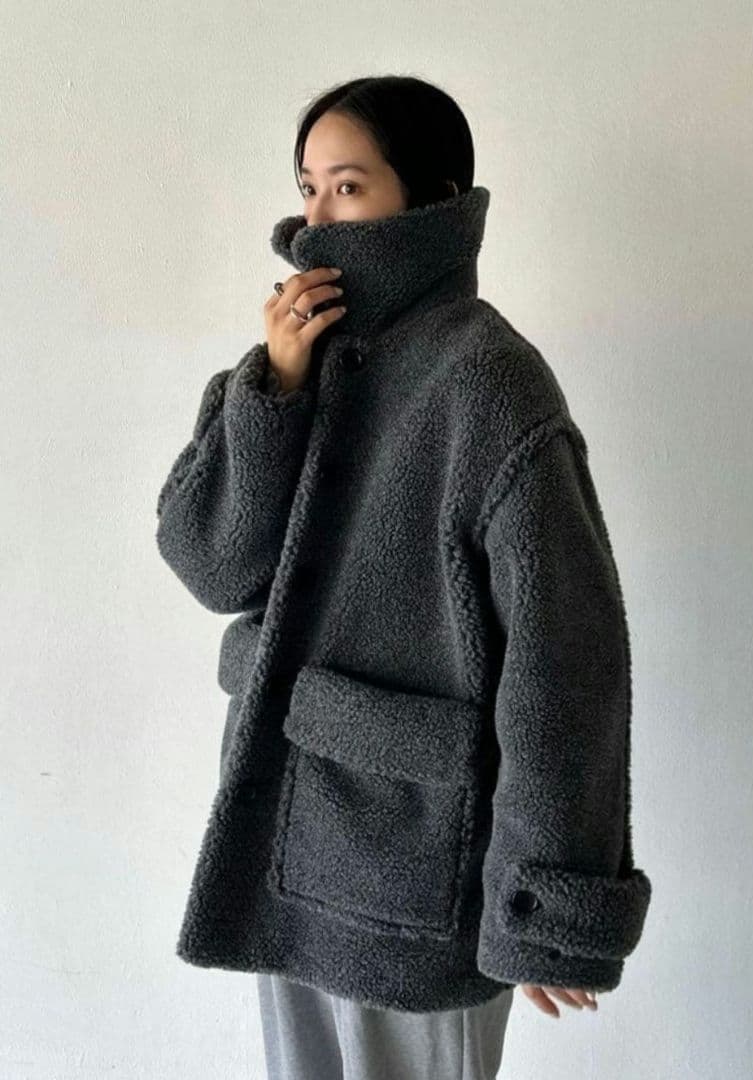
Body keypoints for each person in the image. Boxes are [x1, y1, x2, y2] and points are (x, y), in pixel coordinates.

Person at [155, 74, 651, 1080]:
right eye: (308, 188)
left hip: (422, 869)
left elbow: (566, 658)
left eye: (349, 187)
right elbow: (210, 564)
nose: (317, 218)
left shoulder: (488, 381)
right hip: (287, 842)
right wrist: (274, 392)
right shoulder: (291, 365)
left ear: (431, 200)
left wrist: (546, 900)